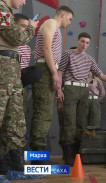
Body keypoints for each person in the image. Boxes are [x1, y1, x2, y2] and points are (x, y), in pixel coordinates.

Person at [57, 32, 106, 166]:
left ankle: (77, 154)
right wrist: (59, 89)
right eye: (82, 41)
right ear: (77, 41)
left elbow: (101, 75)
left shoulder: (89, 59)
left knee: (82, 124)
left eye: (87, 43)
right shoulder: (68, 54)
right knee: (69, 122)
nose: (84, 45)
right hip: (70, 89)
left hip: (84, 91)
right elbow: (60, 72)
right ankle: (68, 155)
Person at [30, 5, 73, 165]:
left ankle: (39, 157)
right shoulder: (50, 23)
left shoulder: (55, 27)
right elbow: (46, 48)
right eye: (69, 19)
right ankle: (37, 160)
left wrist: (57, 82)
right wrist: (54, 73)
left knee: (45, 113)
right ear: (63, 14)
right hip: (46, 68)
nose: (69, 23)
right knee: (42, 112)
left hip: (49, 68)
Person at [0, 0, 38, 173]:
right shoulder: (1, 8)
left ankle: (11, 162)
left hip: (12, 65)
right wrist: (31, 27)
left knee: (15, 117)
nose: (23, 2)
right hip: (3, 64)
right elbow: (17, 37)